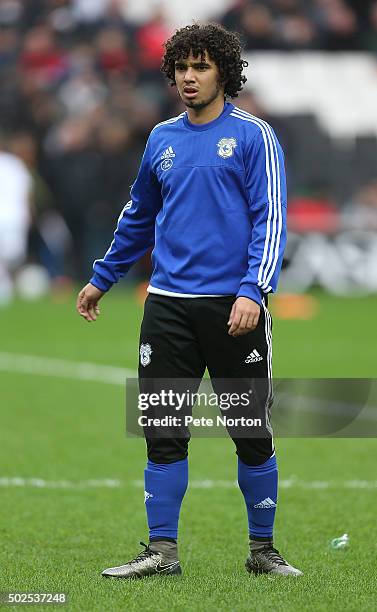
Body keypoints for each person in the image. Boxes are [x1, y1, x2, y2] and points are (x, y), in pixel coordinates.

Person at [76, 23, 302, 578]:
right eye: (181, 68)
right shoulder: (161, 138)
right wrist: (103, 277)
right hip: (169, 307)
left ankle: (263, 551)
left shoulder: (253, 136)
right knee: (163, 429)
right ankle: (161, 552)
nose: (188, 78)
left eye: (200, 67)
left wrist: (254, 290)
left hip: (232, 307)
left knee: (249, 432)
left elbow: (269, 220)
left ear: (223, 71)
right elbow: (139, 215)